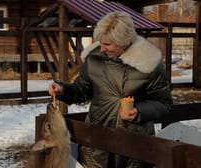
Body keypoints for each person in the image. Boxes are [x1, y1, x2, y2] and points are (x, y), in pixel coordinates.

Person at [48, 11, 173, 168]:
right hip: (97, 144)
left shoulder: (150, 63)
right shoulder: (94, 58)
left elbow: (164, 103)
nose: (102, 49)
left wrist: (139, 111)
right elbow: (82, 90)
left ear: (124, 41)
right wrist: (63, 90)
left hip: (135, 148)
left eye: (107, 45)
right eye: (100, 43)